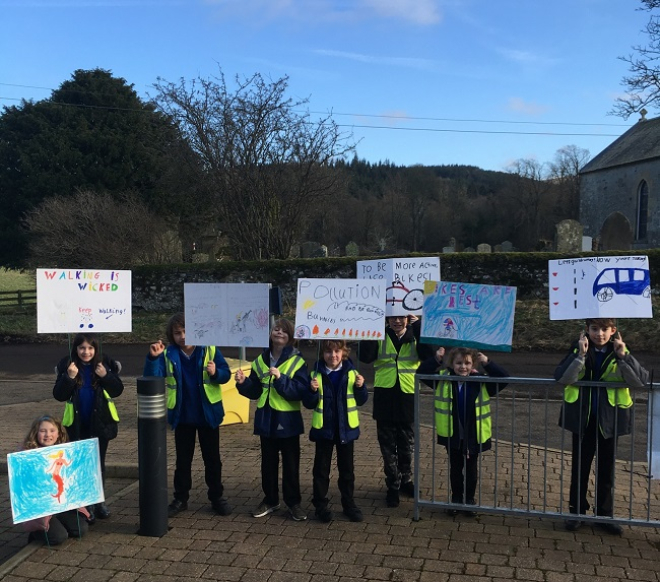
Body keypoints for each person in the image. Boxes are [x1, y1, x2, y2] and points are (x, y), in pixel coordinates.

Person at [555, 319, 648, 535]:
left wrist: (624, 356)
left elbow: (638, 381)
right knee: (580, 468)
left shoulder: (620, 350)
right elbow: (563, 378)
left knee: (607, 471)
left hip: (610, 420)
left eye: (605, 329)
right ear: (587, 330)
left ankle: (604, 516)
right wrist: (580, 355)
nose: (599, 334)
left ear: (613, 331)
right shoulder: (577, 348)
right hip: (582, 420)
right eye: (594, 329)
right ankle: (576, 513)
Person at [144, 313, 232, 517]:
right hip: (182, 416)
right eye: (178, 333)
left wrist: (215, 373)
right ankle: (180, 498)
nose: (183, 336)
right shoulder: (168, 354)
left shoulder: (209, 349)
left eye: (187, 331)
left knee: (213, 459)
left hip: (208, 415)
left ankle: (217, 497)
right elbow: (153, 378)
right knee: (183, 460)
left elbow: (226, 374)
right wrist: (153, 358)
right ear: (171, 335)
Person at [417, 346, 509, 516]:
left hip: (473, 434)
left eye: (467, 363)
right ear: (451, 364)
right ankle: (456, 499)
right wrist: (436, 358)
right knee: (455, 469)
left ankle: (469, 500)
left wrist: (487, 363)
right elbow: (421, 372)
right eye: (458, 363)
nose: (463, 367)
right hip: (453, 434)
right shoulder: (443, 379)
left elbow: (504, 378)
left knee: (471, 470)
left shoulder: (480, 380)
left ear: (473, 364)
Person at [235, 318, 311, 521]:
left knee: (290, 464)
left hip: (287, 420)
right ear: (270, 334)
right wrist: (243, 383)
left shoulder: (297, 360)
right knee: (268, 463)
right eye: (276, 328)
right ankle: (270, 500)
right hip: (266, 419)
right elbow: (255, 390)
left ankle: (293, 503)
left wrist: (281, 379)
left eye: (284, 330)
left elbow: (300, 391)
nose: (279, 332)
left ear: (290, 338)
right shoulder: (260, 360)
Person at [359, 314, 433, 507]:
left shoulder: (416, 335)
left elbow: (428, 356)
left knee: (407, 444)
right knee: (388, 447)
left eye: (401, 317)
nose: (397, 321)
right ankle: (393, 485)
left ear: (408, 319)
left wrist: (419, 327)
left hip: (407, 396)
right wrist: (368, 329)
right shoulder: (378, 334)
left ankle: (406, 481)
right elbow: (365, 357)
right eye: (392, 317)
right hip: (385, 396)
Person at [53, 333, 123, 521]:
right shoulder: (68, 366)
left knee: (98, 465)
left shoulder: (103, 364)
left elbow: (117, 390)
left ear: (96, 349)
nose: (86, 352)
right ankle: (86, 505)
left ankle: (99, 502)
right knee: (81, 466)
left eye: (90, 348)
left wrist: (106, 375)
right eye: (82, 348)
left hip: (99, 423)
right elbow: (59, 394)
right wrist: (69, 377)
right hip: (77, 425)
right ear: (75, 349)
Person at [305, 340, 368, 523]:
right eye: (328, 352)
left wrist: (360, 386)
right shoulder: (315, 374)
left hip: (346, 431)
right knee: (321, 471)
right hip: (324, 430)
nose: (332, 355)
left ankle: (349, 504)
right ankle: (320, 506)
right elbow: (308, 403)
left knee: (347, 471)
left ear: (344, 352)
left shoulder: (352, 373)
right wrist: (311, 390)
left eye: (336, 351)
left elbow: (361, 400)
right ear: (322, 354)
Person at [20, 415, 90, 545]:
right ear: (35, 433)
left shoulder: (64, 452)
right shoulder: (27, 456)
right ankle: (36, 532)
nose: (48, 435)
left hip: (61, 504)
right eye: (43, 431)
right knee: (58, 537)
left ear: (59, 433)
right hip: (41, 509)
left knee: (81, 529)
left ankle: (58, 521)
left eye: (52, 431)